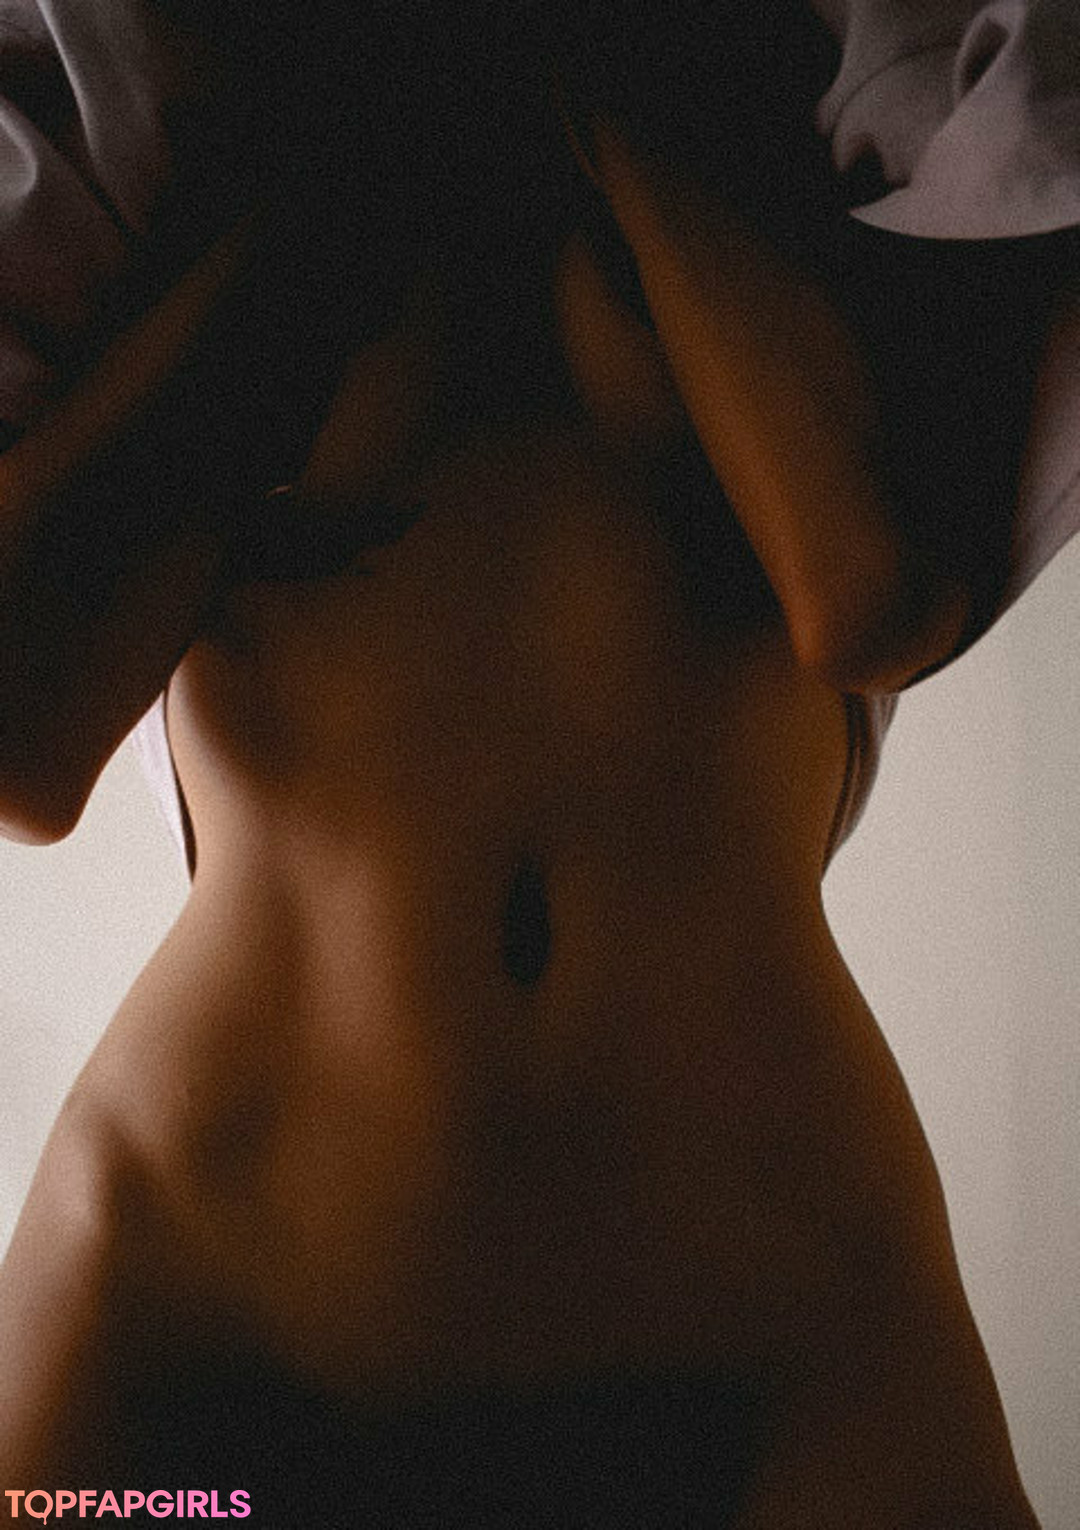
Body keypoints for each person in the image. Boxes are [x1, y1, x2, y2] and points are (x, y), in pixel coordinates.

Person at [0, 2, 1075, 1523]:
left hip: (770, 1319)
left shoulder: (816, 91)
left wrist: (593, 85)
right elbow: (20, 738)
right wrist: (341, 164)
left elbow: (874, 600)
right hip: (201, 1305)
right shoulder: (192, 118)